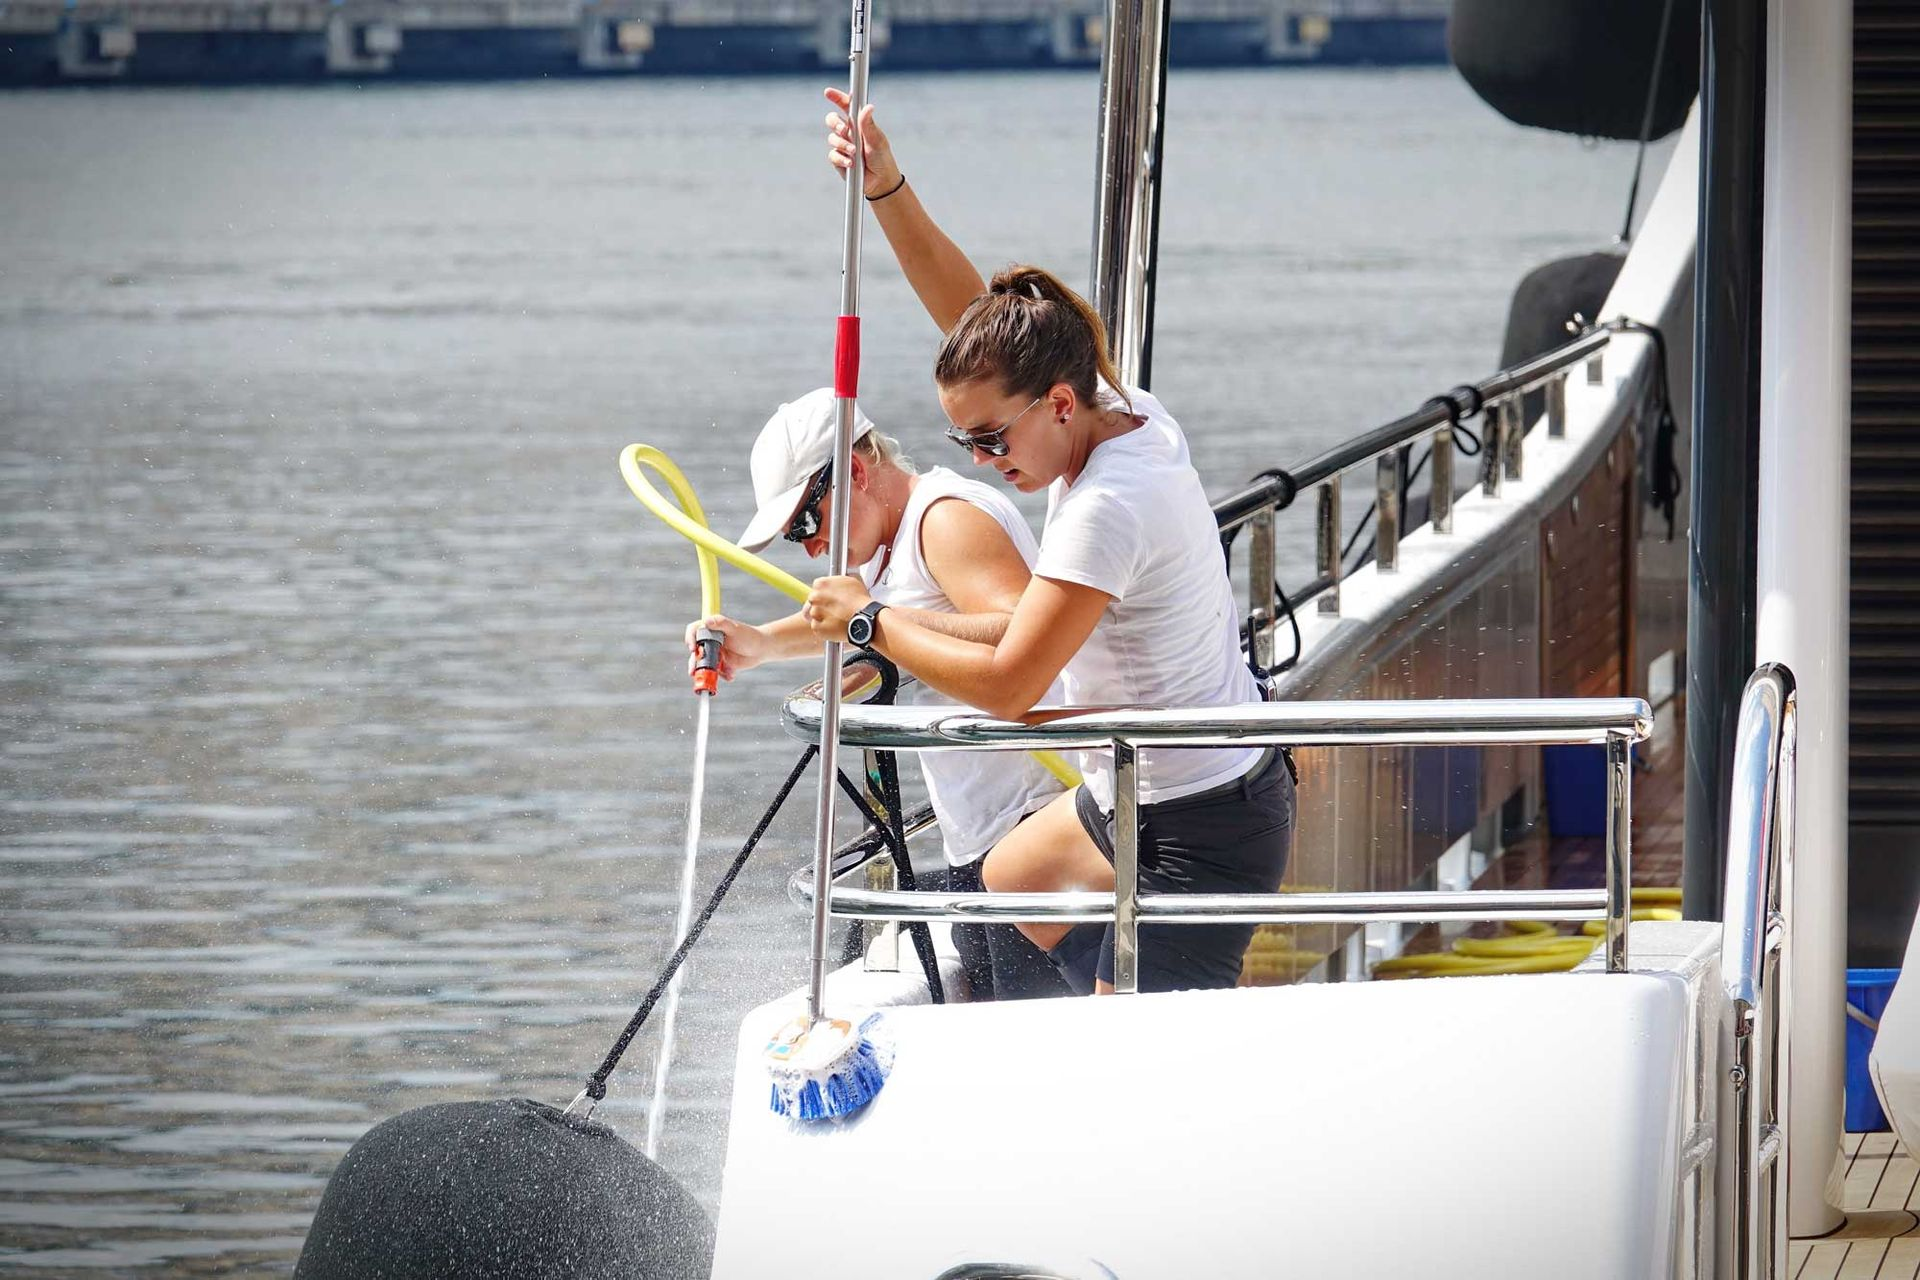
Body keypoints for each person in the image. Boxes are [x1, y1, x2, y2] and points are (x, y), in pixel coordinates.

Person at [801, 91, 1295, 995]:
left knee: (1132, 1064)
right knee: (1006, 883)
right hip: (1135, 790)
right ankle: (1110, 995)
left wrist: (873, 621)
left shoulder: (1109, 504)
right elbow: (976, 325)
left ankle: (1136, 1012)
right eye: (965, 445)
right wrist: (887, 189)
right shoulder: (1127, 411)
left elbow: (1013, 688)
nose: (986, 464)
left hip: (1197, 817)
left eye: (992, 440)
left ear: (1058, 404)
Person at [686, 387, 1068, 1001]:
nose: (809, 546)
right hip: (978, 840)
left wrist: (870, 618)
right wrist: (756, 642)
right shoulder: (885, 542)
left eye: (806, 522)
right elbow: (859, 621)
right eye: (794, 537)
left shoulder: (944, 520)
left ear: (856, 472)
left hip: (1030, 832)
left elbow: (1025, 628)